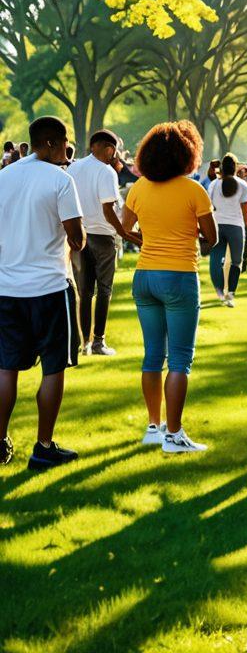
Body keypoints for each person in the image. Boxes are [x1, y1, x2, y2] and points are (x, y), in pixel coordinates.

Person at [122, 121, 218, 454]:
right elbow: (212, 237)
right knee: (179, 360)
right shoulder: (194, 190)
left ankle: (153, 426)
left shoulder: (138, 187)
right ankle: (175, 436)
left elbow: (125, 227)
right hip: (178, 275)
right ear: (186, 154)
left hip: (144, 275)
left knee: (152, 355)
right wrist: (194, 236)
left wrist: (147, 238)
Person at [0, 117, 86, 470]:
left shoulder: (3, 178)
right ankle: (44, 445)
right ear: (50, 143)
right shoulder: (60, 181)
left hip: (6, 288)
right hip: (50, 286)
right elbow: (77, 238)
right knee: (53, 368)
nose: (67, 151)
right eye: (65, 143)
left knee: (5, 369)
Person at [68, 129, 134, 356]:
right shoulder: (106, 172)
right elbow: (108, 208)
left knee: (84, 291)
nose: (114, 156)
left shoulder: (74, 167)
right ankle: (98, 341)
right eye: (113, 151)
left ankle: (83, 342)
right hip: (103, 236)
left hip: (79, 235)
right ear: (108, 148)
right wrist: (123, 232)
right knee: (104, 290)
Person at [207, 154, 247, 307]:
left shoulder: (214, 184)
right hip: (236, 226)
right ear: (235, 167)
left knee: (215, 260)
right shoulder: (243, 185)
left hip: (217, 225)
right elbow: (246, 211)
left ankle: (220, 293)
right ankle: (230, 293)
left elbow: (209, 206)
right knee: (236, 261)